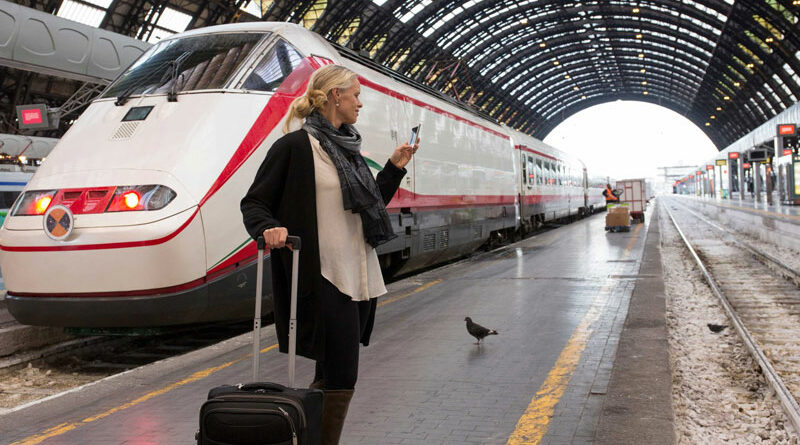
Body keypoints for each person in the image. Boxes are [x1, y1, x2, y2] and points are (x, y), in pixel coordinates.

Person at [240, 64, 419, 445]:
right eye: (355, 94)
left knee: (330, 373)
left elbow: (367, 206)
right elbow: (254, 203)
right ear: (335, 96)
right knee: (342, 374)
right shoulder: (293, 148)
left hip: (357, 274)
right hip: (323, 275)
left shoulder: (349, 149)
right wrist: (268, 228)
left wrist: (393, 169)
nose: (361, 102)